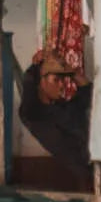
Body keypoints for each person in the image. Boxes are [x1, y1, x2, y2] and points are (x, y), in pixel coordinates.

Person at [18, 42, 92, 181]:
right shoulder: (33, 114)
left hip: (94, 169)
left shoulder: (66, 107)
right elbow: (28, 82)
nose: (61, 86)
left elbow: (87, 91)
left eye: (63, 80)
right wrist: (36, 65)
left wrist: (69, 69)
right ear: (41, 82)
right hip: (79, 179)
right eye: (56, 80)